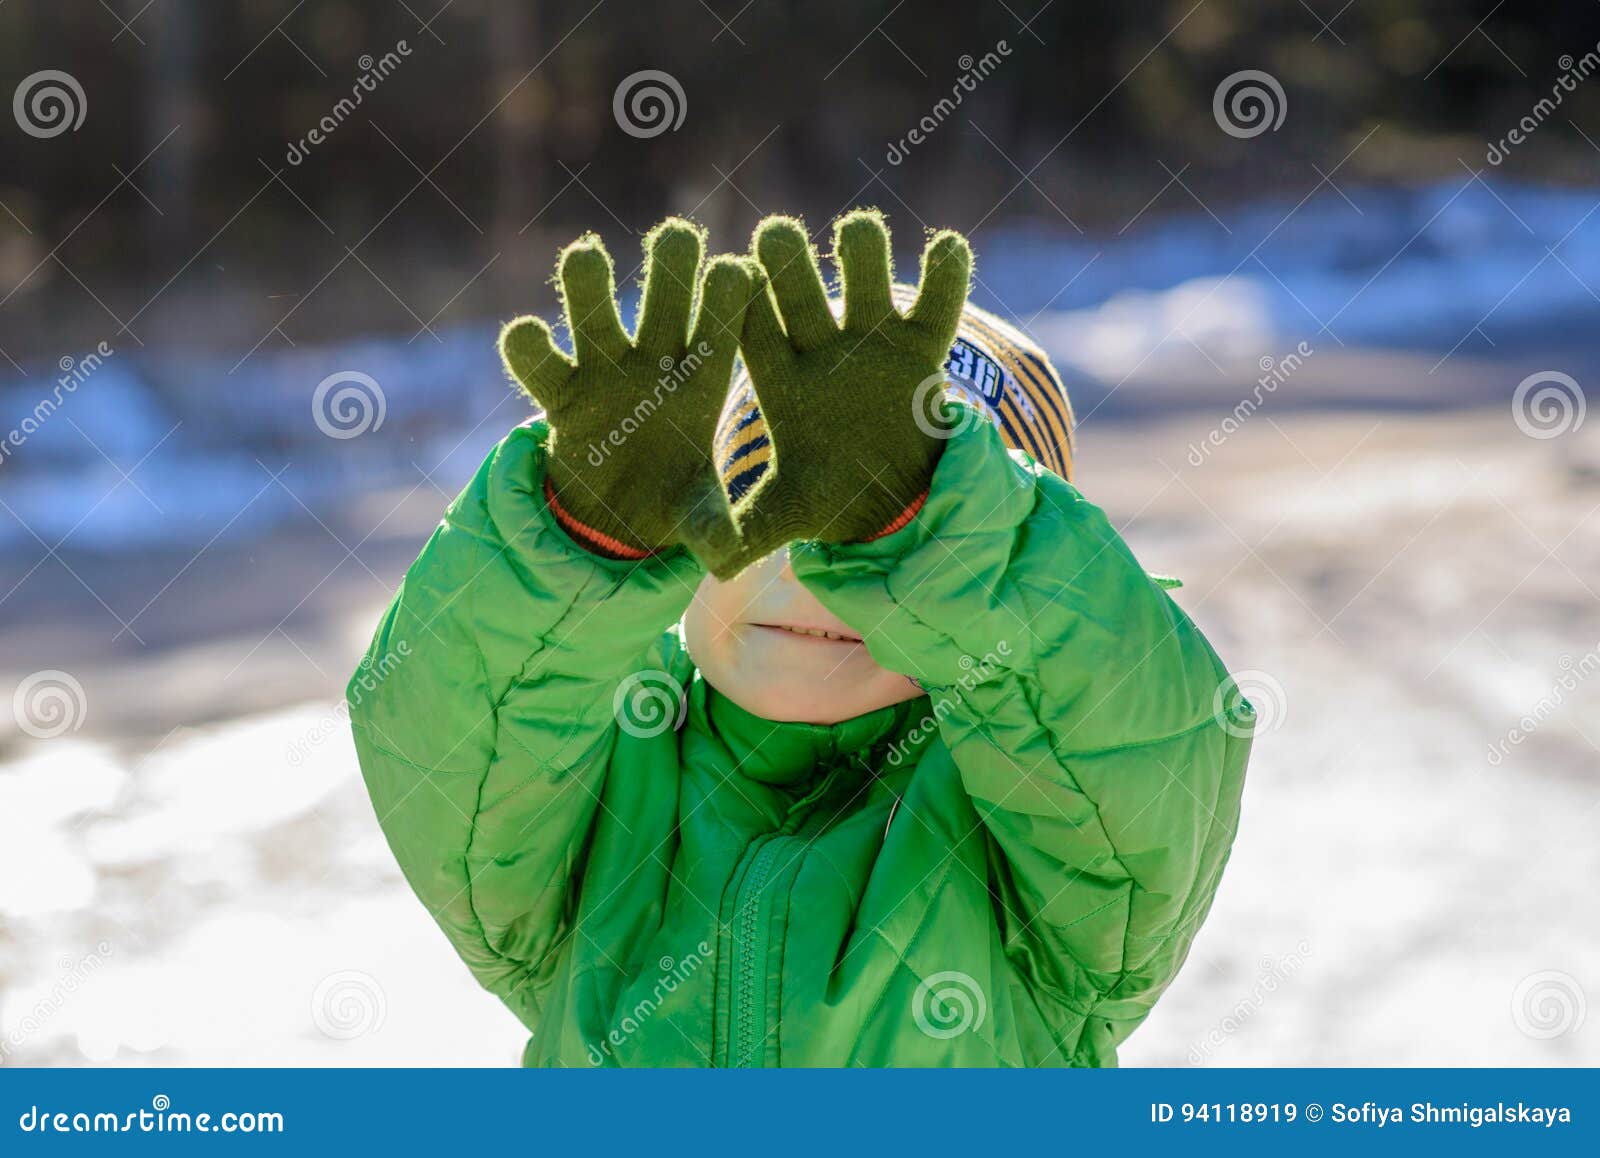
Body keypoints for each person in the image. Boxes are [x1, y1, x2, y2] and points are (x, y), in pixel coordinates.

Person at [347, 209, 1253, 1067]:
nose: (806, 573)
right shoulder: (601, 779)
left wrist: (948, 533)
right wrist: (579, 545)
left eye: (875, 539)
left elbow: (1131, 756)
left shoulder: (1032, 835)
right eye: (766, 514)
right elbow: (447, 743)